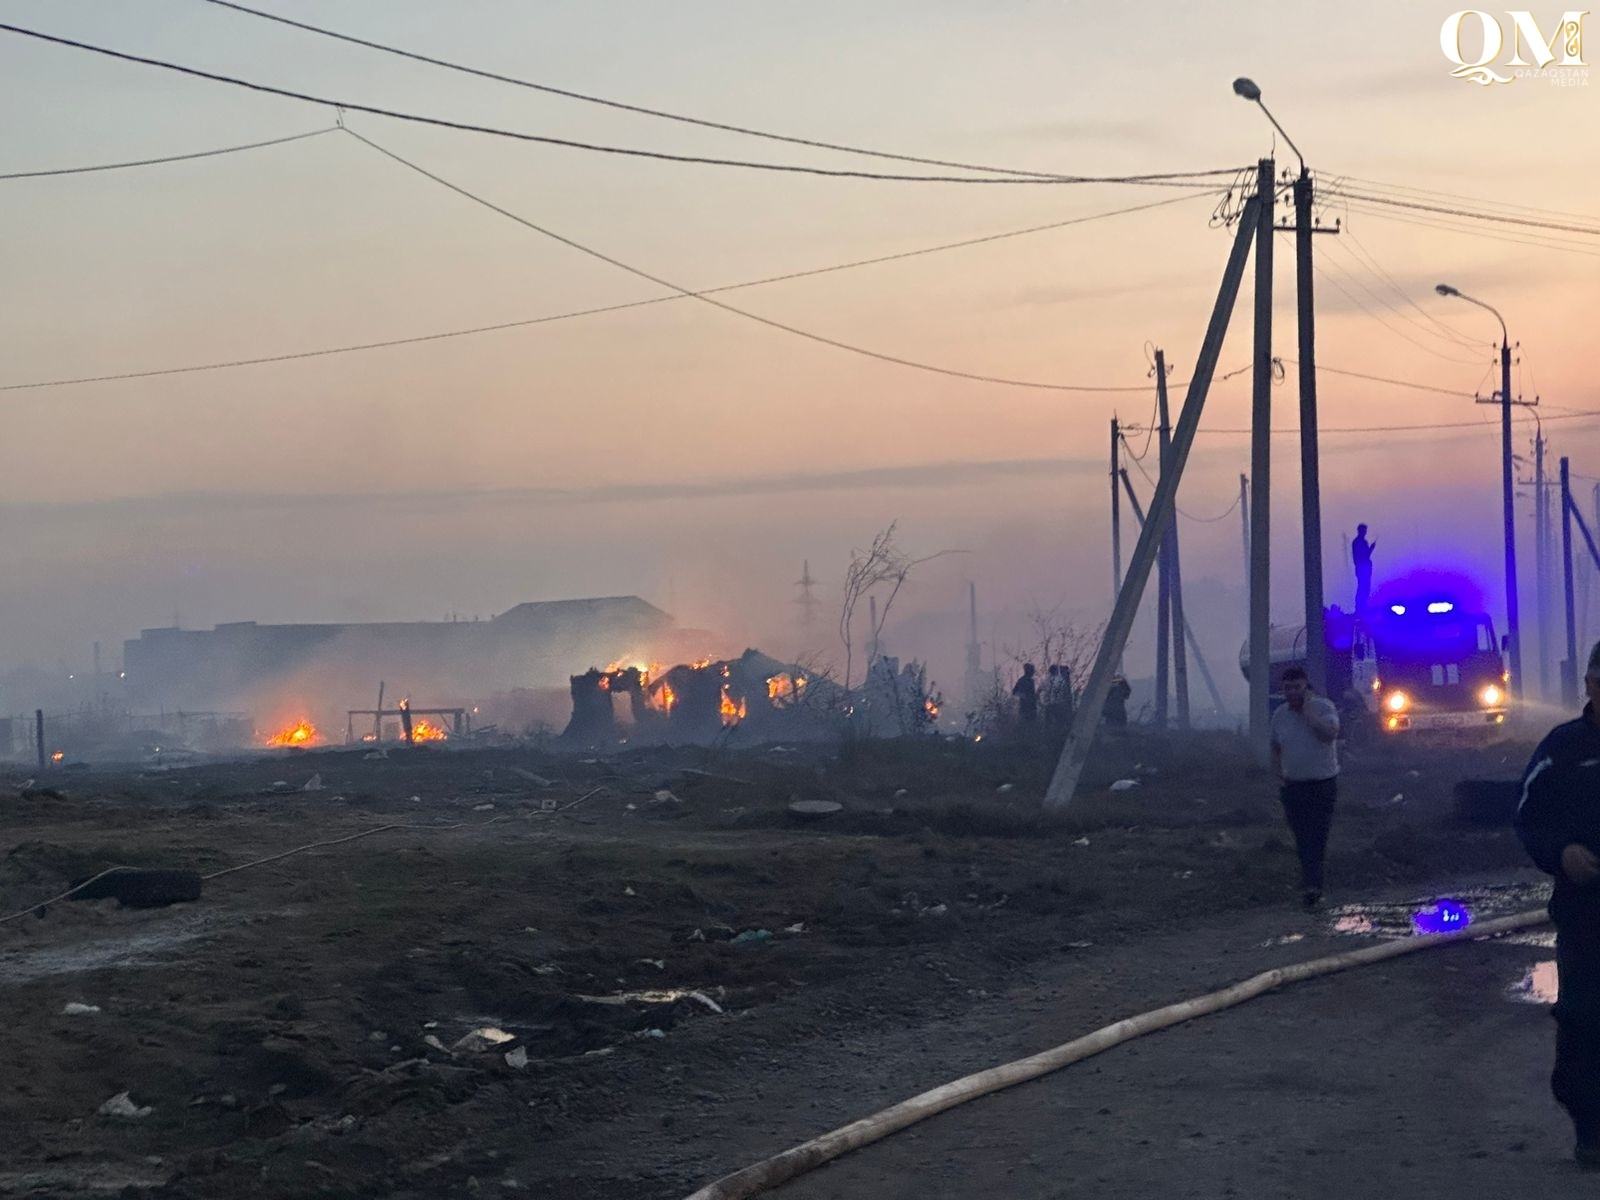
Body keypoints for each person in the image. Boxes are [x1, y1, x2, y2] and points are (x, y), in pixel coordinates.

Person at [1515, 640, 1600, 1167]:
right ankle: (1590, 1132)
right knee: (1584, 1020)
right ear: (1590, 686)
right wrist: (1561, 851)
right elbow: (1528, 815)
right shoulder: (1562, 750)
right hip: (1585, 914)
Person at [1270, 665, 1341, 909]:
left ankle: (1313, 886)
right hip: (1293, 786)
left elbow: (1329, 734)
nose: (1292, 692)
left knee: (1317, 834)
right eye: (1288, 688)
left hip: (1322, 784)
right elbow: (1275, 747)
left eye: (1297, 687)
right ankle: (1309, 880)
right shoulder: (1280, 715)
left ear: (1306, 687)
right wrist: (1278, 774)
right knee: (1301, 836)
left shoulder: (1324, 708)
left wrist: (1308, 712)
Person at [1352, 524, 1375, 613]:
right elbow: (1364, 555)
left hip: (1364, 568)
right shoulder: (1358, 542)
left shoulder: (1361, 542)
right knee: (1362, 587)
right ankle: (1360, 608)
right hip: (1362, 568)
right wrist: (1371, 549)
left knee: (1364, 587)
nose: (1365, 532)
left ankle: (1363, 607)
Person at [1043, 664, 1073, 731]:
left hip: (1060, 705)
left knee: (1057, 722)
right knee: (1057, 722)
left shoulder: (1060, 680)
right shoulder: (1058, 680)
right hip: (1057, 705)